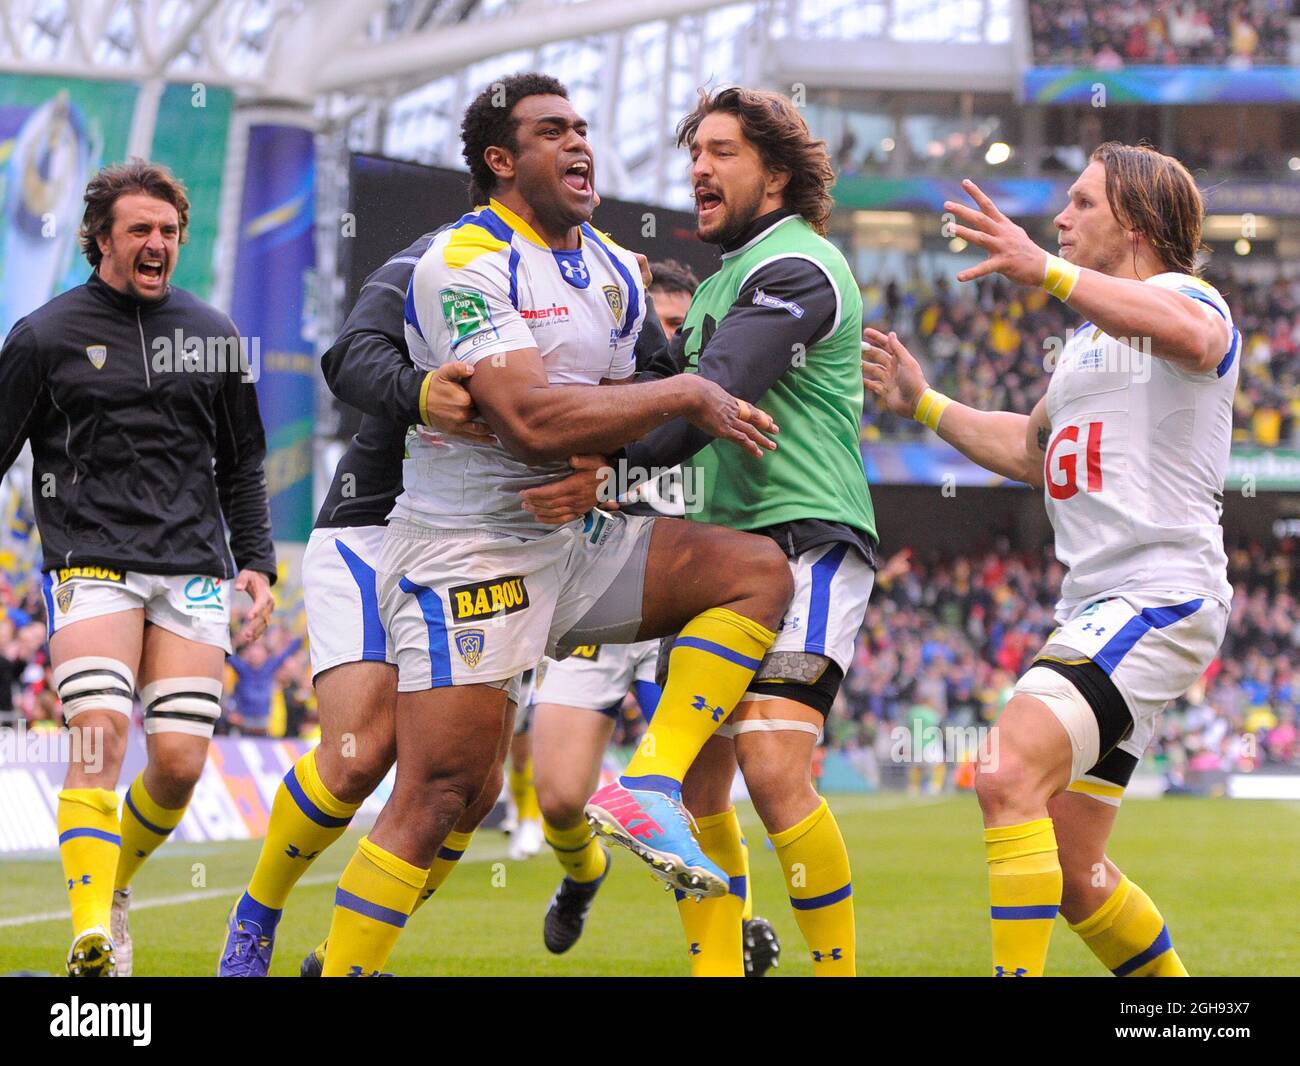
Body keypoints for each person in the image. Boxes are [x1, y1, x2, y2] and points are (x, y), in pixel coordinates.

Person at [317, 71, 795, 977]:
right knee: (444, 792)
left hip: (573, 542)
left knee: (756, 571)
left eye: (582, 126)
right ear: (501, 161)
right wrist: (684, 389)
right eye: (551, 131)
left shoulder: (617, 268)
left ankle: (650, 783)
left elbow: (644, 418)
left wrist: (606, 460)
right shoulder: (462, 261)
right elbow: (529, 417)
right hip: (468, 550)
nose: (579, 143)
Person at [863, 143, 1237, 977]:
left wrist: (1046, 272)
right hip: (1107, 605)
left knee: (1002, 773)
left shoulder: (1183, 296)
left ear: (1136, 223)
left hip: (1158, 595)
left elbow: (1198, 337)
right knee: (1076, 875)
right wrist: (924, 401)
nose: (1061, 219)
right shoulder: (1082, 346)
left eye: (1082, 203)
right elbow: (1033, 451)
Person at [576, 87, 877, 977]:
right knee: (702, 798)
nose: (699, 169)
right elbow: (656, 396)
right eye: (693, 153)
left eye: (722, 152)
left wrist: (604, 464)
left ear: (777, 172)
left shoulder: (802, 268)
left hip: (804, 538)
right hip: (719, 560)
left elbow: (713, 397)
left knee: (776, 772)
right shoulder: (711, 286)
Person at [0, 160, 276, 977]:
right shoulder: (43, 335)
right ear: (99, 239)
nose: (158, 244)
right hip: (92, 564)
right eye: (139, 231)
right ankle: (89, 935)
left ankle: (108, 891)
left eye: (168, 231)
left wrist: (256, 564)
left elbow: (243, 463)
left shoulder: (216, 332)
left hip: (193, 569)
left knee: (182, 764)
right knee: (98, 731)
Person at [529, 268, 780, 975]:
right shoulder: (611, 386)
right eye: (659, 323)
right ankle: (584, 873)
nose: (671, 338)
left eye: (682, 325)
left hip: (690, 604)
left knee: (701, 793)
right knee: (558, 797)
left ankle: (736, 929)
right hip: (608, 594)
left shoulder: (719, 394)